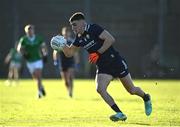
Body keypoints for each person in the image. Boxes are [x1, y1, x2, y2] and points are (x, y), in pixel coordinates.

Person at [54, 12, 152, 121]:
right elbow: (70, 53)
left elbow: (110, 39)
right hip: (103, 66)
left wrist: (98, 52)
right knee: (100, 89)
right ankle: (120, 113)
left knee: (131, 90)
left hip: (115, 61)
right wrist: (62, 45)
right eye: (72, 25)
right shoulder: (79, 38)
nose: (73, 28)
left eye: (74, 24)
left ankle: (146, 97)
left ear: (82, 23)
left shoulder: (93, 28)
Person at [17, 24, 48, 98]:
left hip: (38, 60)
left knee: (39, 75)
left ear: (33, 31)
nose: (30, 32)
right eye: (28, 31)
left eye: (31, 30)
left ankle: (39, 93)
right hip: (29, 61)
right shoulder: (24, 39)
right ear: (26, 32)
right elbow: (19, 48)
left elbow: (44, 47)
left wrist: (45, 54)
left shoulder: (38, 38)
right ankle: (41, 87)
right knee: (35, 77)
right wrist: (23, 54)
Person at [53, 26, 79, 97]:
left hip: (71, 61)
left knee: (70, 77)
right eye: (65, 33)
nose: (66, 34)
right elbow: (55, 52)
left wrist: (77, 62)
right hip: (62, 61)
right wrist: (55, 60)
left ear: (69, 33)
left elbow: (75, 52)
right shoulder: (60, 41)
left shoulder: (72, 41)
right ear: (63, 33)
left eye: (67, 33)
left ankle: (71, 92)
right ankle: (68, 90)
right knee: (65, 80)